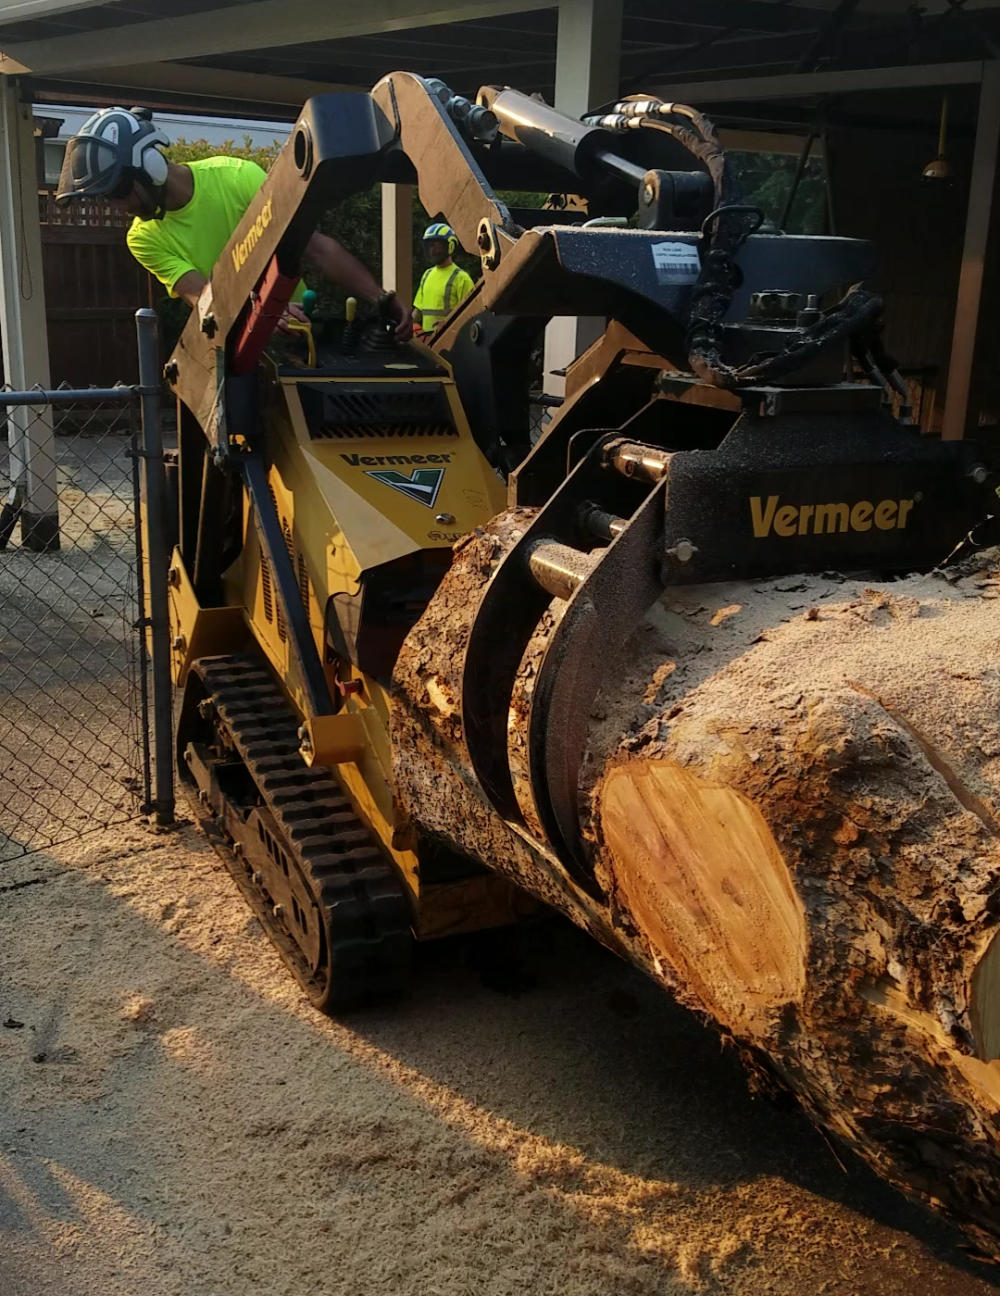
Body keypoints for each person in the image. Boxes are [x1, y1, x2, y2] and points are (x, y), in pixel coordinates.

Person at [55, 106, 411, 340]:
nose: (118, 207)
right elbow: (204, 297)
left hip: (301, 330)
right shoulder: (143, 238)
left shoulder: (235, 176)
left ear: (150, 166)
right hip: (242, 348)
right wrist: (263, 309)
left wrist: (380, 299)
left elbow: (314, 246)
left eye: (118, 191)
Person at [411, 222, 475, 335]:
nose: (432, 251)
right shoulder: (427, 274)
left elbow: (472, 314)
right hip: (427, 344)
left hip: (452, 343)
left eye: (437, 246)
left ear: (450, 246)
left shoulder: (462, 278)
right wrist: (409, 325)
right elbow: (418, 311)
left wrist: (449, 326)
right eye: (430, 246)